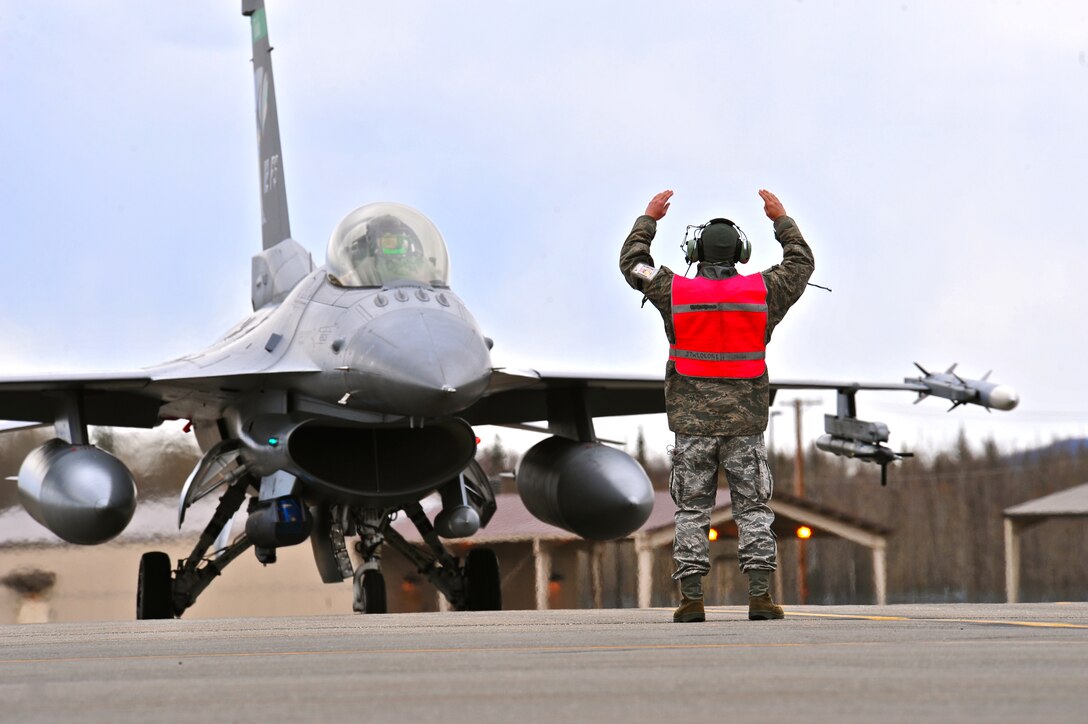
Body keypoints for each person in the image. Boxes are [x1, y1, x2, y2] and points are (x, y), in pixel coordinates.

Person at [619, 188, 814, 622]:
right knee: (754, 509)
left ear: (694, 251)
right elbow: (801, 263)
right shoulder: (765, 290)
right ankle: (760, 598)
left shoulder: (674, 291)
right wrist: (780, 218)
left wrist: (648, 219)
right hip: (746, 424)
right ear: (742, 253)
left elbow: (633, 263)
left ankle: (691, 601)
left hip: (691, 426)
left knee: (692, 510)